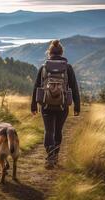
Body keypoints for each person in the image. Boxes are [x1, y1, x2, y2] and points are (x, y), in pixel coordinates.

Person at [31, 40, 80, 169]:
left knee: (49, 131)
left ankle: (50, 156)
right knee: (58, 131)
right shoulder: (67, 67)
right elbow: (74, 88)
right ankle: (55, 156)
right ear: (61, 52)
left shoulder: (43, 67)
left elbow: (36, 87)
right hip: (63, 106)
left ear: (49, 52)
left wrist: (34, 106)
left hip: (46, 105)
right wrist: (77, 106)